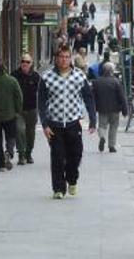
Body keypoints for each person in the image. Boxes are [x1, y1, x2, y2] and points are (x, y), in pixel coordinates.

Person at [38, 45, 96, 199]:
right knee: (57, 157)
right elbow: (41, 102)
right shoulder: (46, 77)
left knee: (75, 155)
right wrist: (44, 124)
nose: (64, 60)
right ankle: (58, 188)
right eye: (61, 57)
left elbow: (88, 98)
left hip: (73, 123)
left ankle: (72, 179)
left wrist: (92, 119)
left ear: (70, 58)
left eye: (67, 57)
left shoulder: (79, 76)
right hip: (54, 124)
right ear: (56, 59)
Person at [11, 54, 41, 165]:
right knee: (20, 131)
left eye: (28, 62)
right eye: (23, 61)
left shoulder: (36, 77)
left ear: (31, 64)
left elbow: (41, 93)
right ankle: (21, 155)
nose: (25, 63)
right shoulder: (14, 75)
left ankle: (29, 154)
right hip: (19, 110)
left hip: (32, 110)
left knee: (30, 134)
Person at [92, 62, 128, 153]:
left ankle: (102, 137)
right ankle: (111, 146)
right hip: (115, 109)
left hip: (102, 108)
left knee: (102, 125)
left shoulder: (97, 81)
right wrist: (124, 110)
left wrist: (93, 108)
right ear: (112, 71)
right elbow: (121, 97)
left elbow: (92, 96)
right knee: (113, 127)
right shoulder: (116, 82)